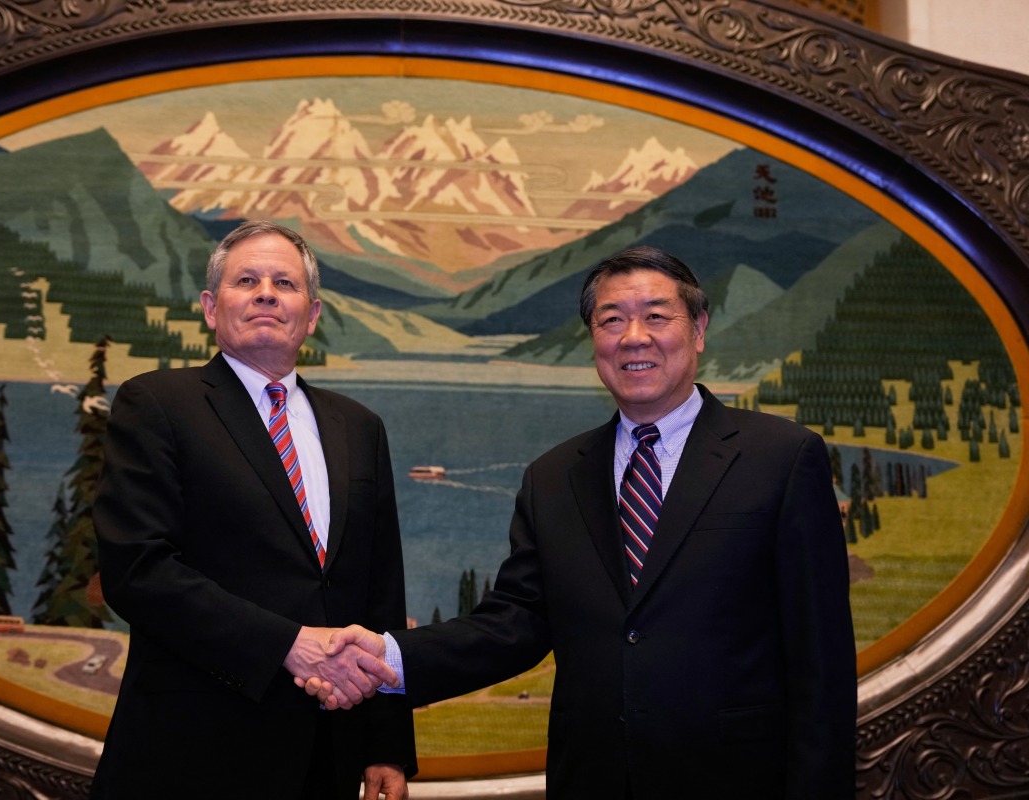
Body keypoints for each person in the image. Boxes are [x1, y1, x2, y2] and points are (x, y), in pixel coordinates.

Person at [308, 245, 857, 798]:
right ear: (593, 339)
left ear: (699, 329)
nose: (634, 336)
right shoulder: (553, 478)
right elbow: (515, 624)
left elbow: (822, 660)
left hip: (739, 779)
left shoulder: (781, 457)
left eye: (657, 316)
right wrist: (391, 656)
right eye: (611, 320)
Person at [91, 220, 416, 799]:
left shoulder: (359, 428)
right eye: (248, 280)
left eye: (284, 283)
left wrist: (386, 742)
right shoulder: (159, 404)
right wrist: (286, 643)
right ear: (212, 308)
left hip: (327, 753)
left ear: (311, 316)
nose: (267, 292)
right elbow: (138, 570)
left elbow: (380, 589)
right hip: (191, 752)